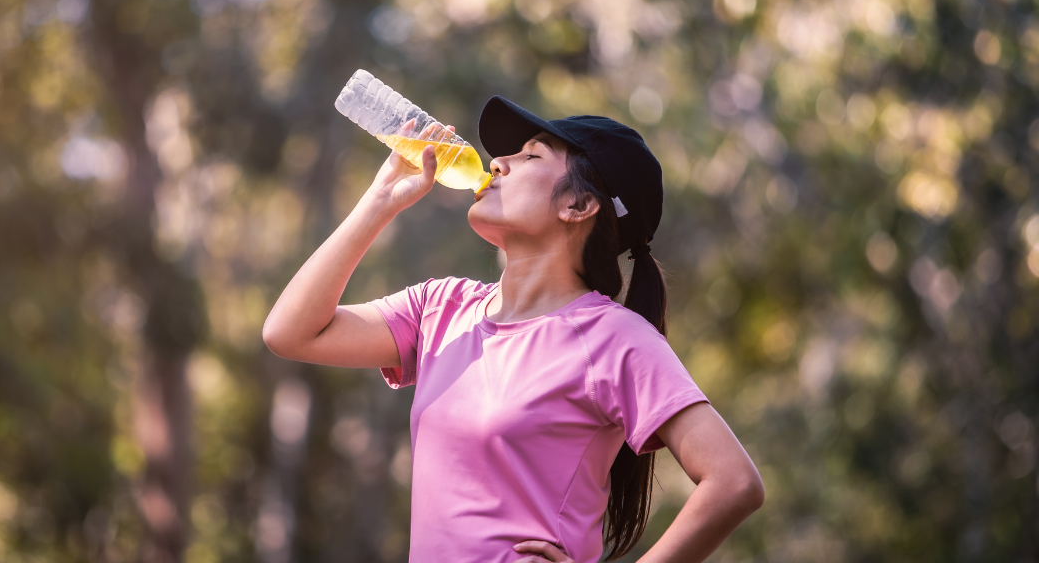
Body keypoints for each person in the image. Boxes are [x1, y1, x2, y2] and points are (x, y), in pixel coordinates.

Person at [263, 96, 764, 562]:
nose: (498, 162)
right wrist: (380, 200)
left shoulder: (613, 339)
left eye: (531, 156)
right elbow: (291, 333)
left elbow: (734, 482)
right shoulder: (442, 308)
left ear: (578, 206)